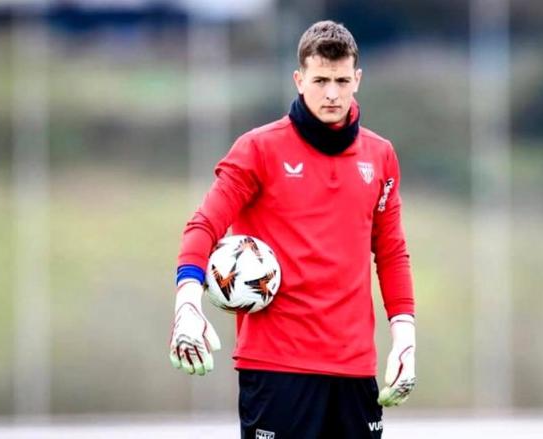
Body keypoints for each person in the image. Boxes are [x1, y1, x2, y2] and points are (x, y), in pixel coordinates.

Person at [169, 20, 415, 439]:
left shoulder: (381, 156)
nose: (332, 93)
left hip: (355, 371)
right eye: (320, 80)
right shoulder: (258, 150)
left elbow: (391, 253)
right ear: (299, 80)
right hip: (277, 371)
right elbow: (203, 226)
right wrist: (187, 304)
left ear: (357, 80)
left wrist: (405, 337)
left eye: (341, 80)